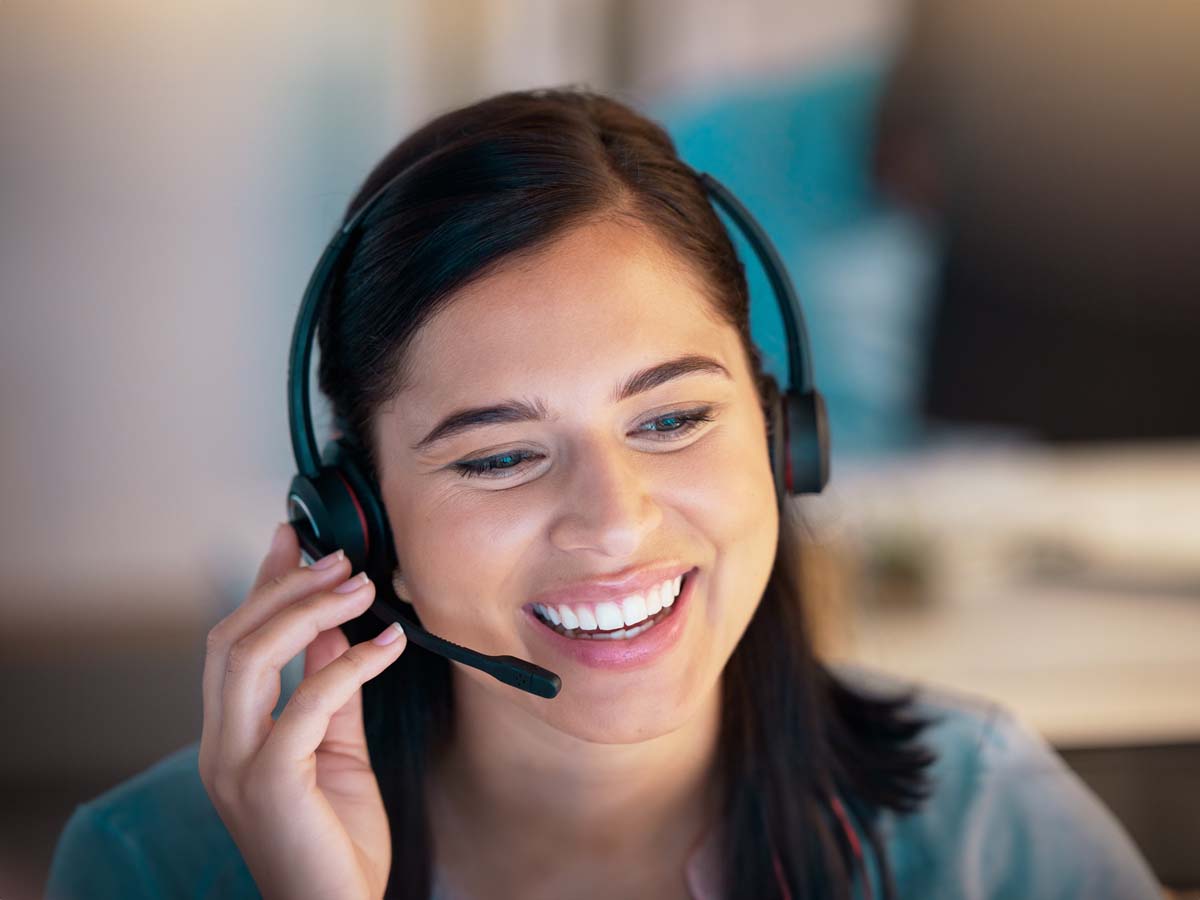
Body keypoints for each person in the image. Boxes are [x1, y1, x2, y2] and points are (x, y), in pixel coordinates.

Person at [46, 87, 1162, 900]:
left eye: (673, 420)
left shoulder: (981, 826)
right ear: (358, 515)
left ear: (785, 441)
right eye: (498, 456)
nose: (615, 521)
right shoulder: (154, 866)